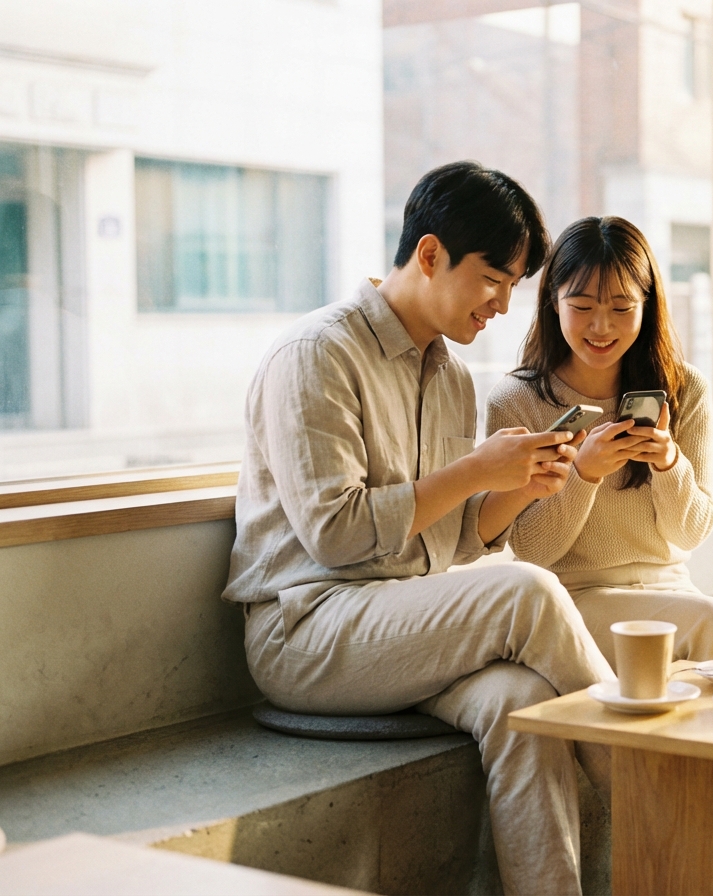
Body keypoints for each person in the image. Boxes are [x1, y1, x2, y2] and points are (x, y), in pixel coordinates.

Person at [222, 161, 614, 896]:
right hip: (306, 630)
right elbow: (336, 536)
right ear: (430, 255)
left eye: (514, 285)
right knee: (527, 592)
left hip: (400, 619)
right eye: (493, 278)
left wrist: (513, 486)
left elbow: (452, 540)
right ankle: (653, 783)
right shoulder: (317, 354)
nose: (502, 303)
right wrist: (473, 472)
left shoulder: (450, 375)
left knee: (520, 706)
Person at [485, 216, 713, 667]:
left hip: (670, 588)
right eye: (581, 305)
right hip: (571, 599)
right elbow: (532, 552)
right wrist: (583, 474)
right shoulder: (517, 401)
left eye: (621, 307)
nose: (601, 326)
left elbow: (690, 533)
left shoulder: (686, 389)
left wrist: (670, 464)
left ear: (647, 306)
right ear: (553, 302)